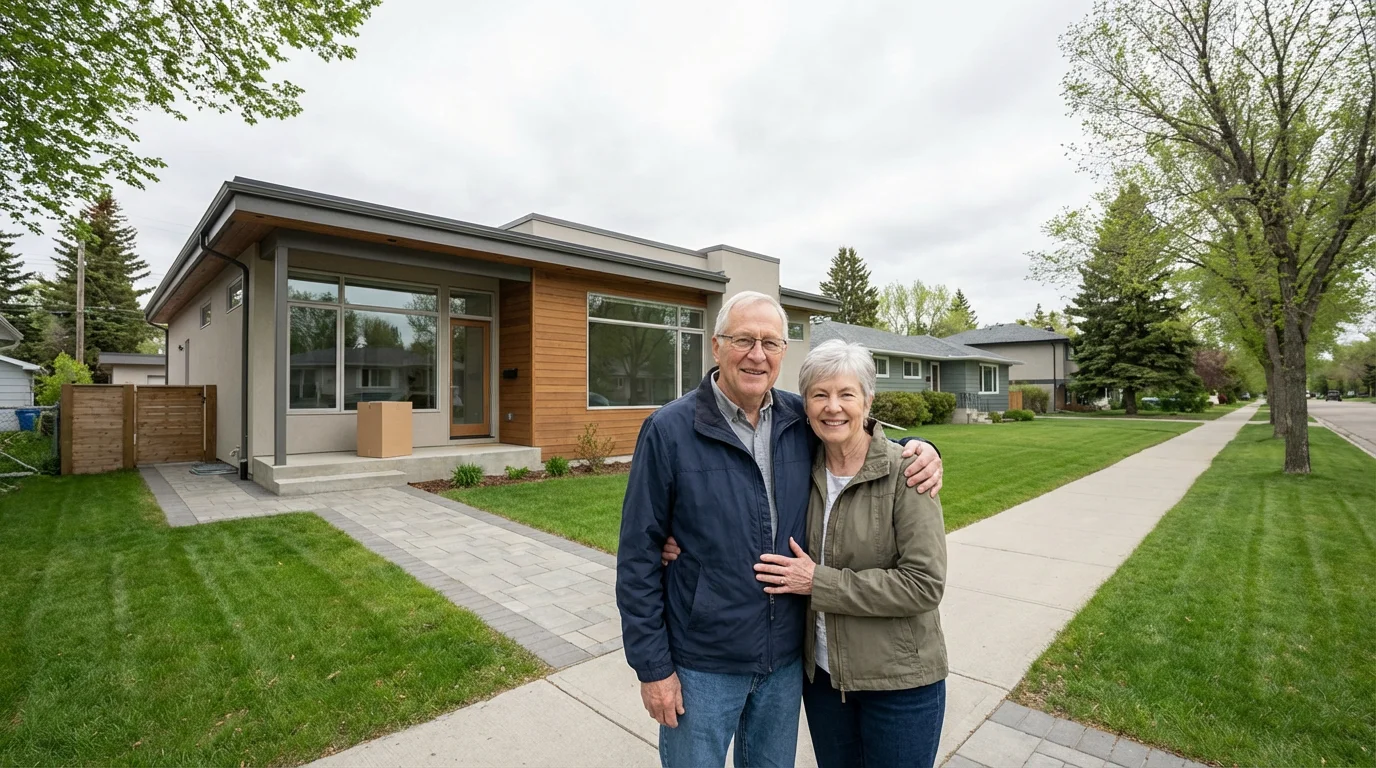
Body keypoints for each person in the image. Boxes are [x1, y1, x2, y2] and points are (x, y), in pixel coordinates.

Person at [616, 292, 943, 768]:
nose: (757, 354)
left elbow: (858, 427)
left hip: (785, 664)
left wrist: (922, 446)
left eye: (770, 342)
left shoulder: (799, 418)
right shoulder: (669, 430)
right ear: (716, 346)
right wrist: (653, 668)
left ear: (783, 353)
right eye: (743, 340)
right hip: (704, 663)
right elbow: (638, 556)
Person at [753, 339, 948, 768]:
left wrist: (816, 582)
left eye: (846, 394)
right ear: (804, 405)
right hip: (825, 684)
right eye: (819, 394)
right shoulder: (800, 467)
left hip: (899, 684)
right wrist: (676, 543)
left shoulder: (906, 472)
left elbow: (924, 585)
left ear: (868, 400)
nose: (832, 407)